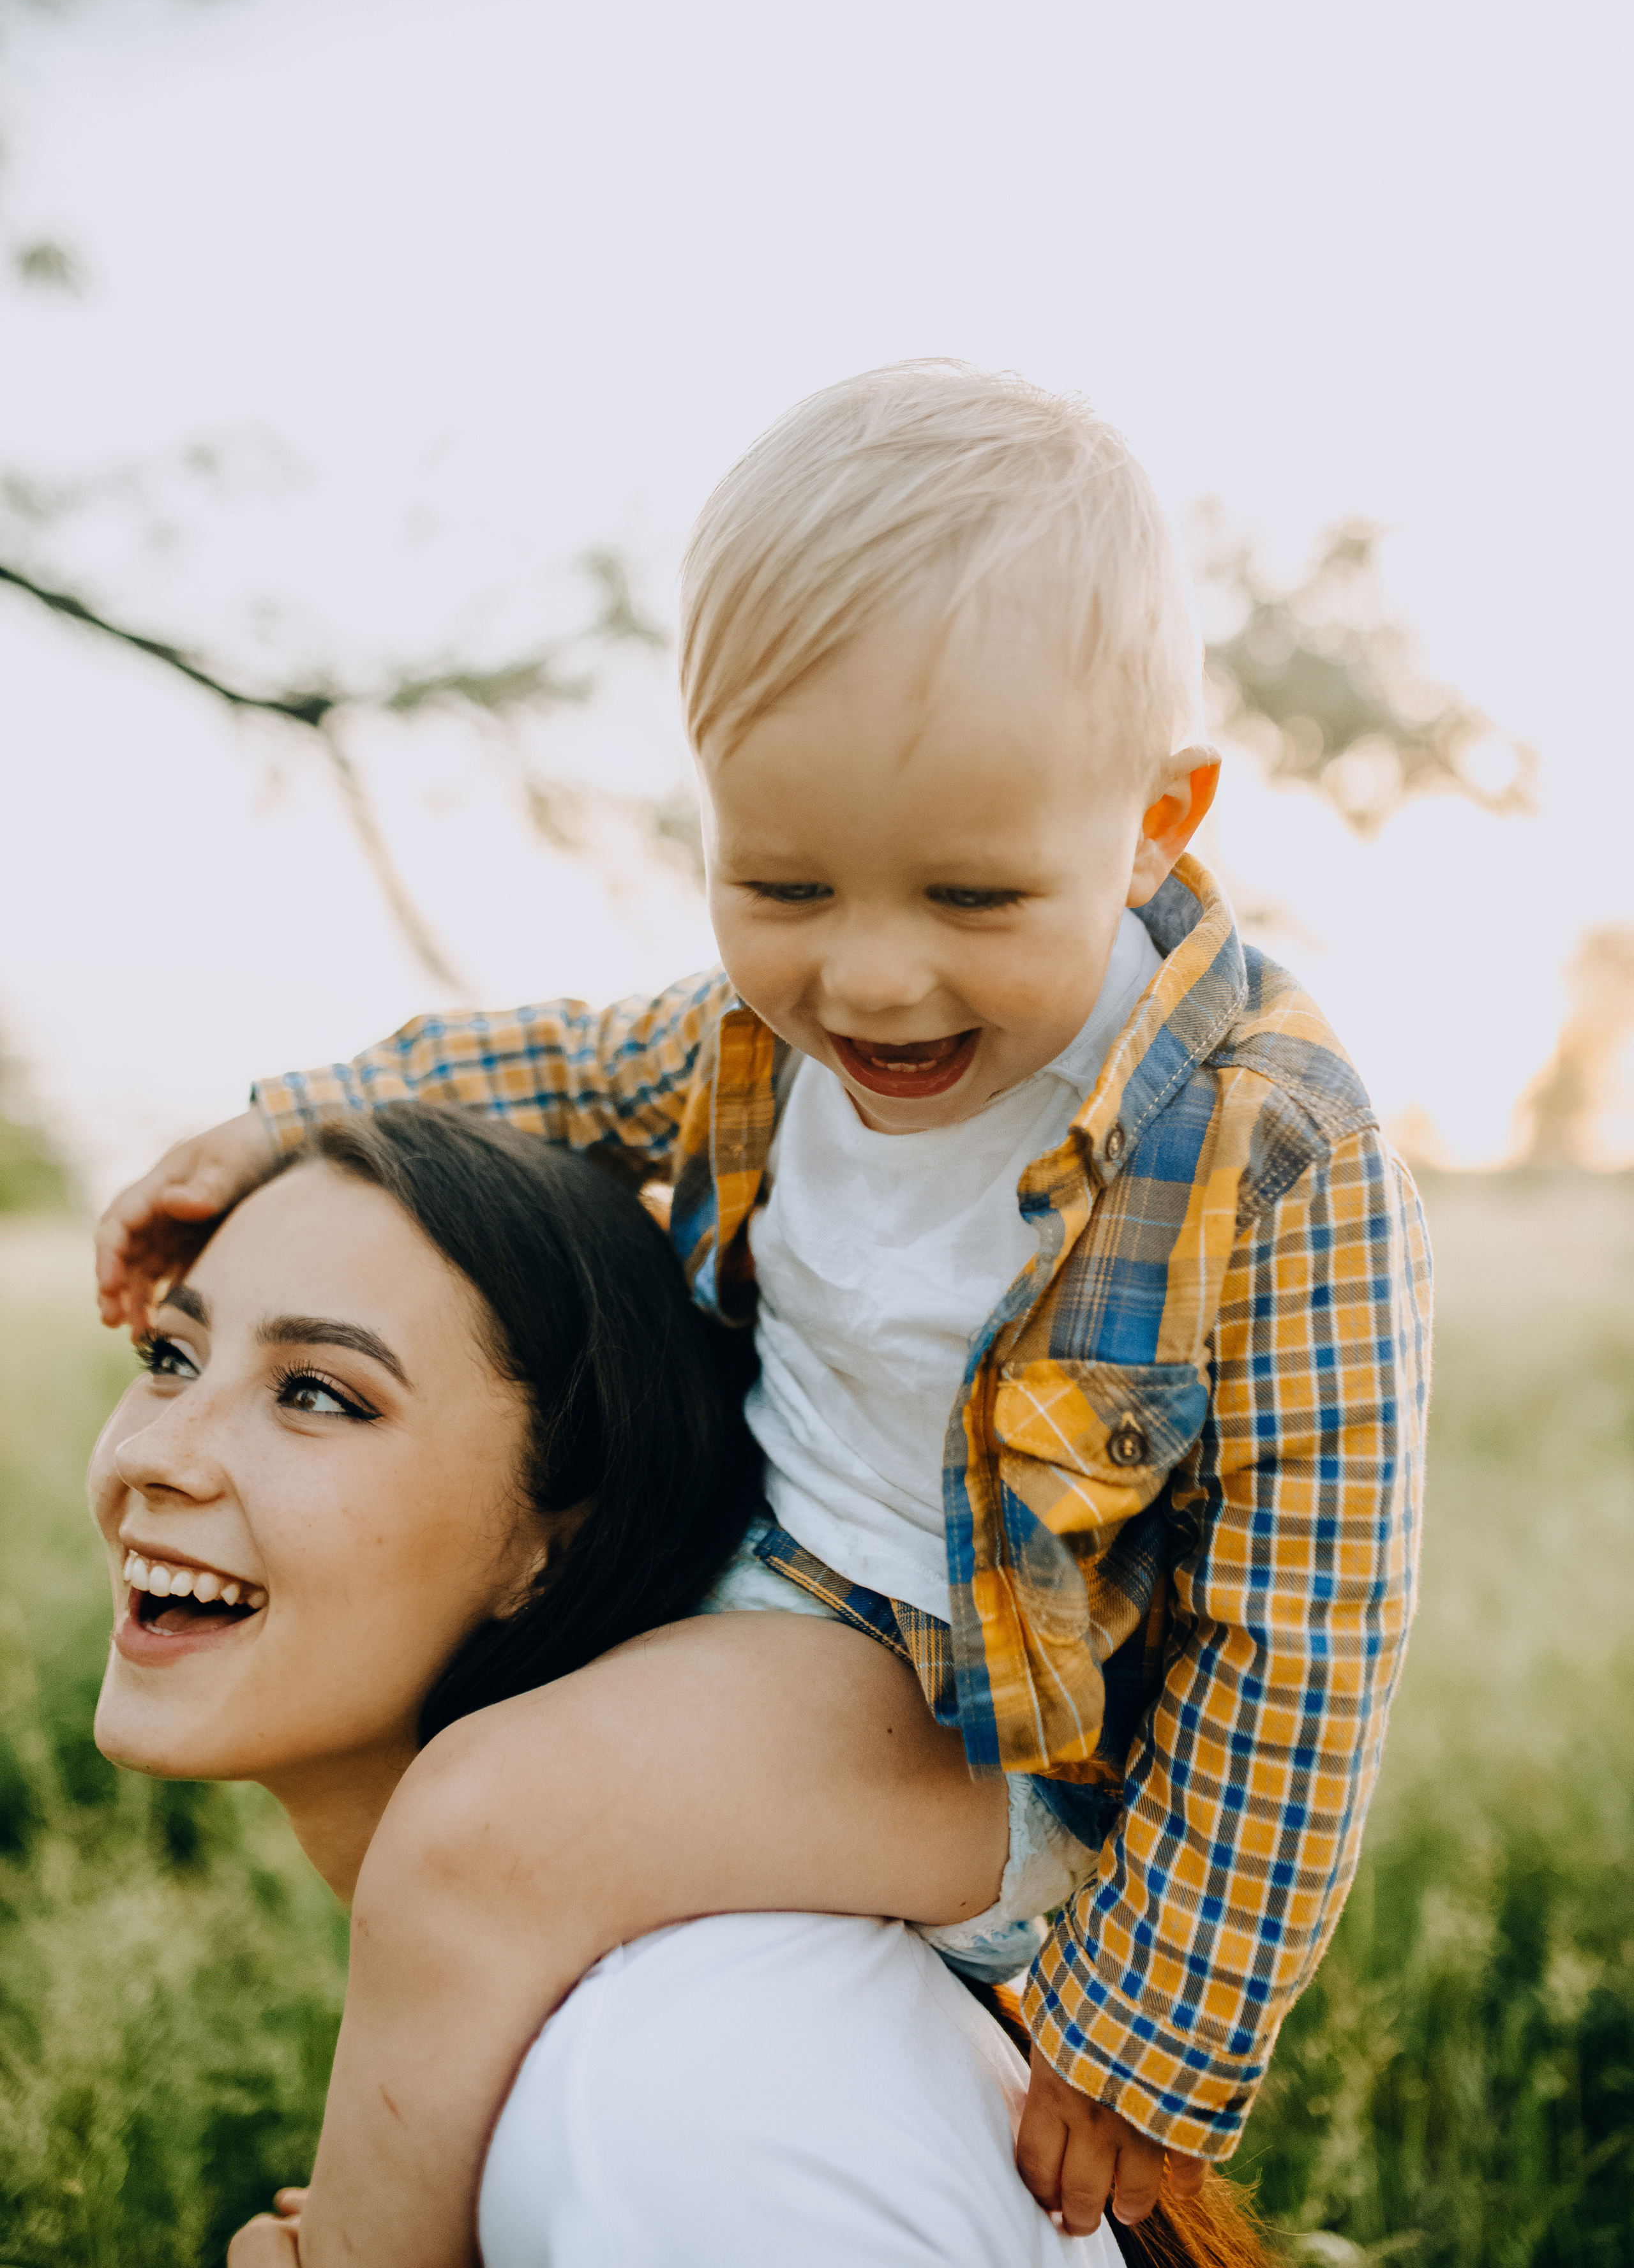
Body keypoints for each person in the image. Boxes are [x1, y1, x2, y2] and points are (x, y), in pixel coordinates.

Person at [96, 361, 1431, 2262]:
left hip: (972, 1714)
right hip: (763, 1602)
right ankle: (453, 2155)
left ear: (1155, 821)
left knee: (477, 1832)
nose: (869, 981)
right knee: (448, 1823)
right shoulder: (765, 1040)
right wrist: (286, 1121)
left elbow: (1307, 1624)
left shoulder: (1263, 1149)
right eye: (782, 884)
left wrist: (1150, 2034)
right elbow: (563, 1064)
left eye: (971, 896)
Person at [91, 1104, 1141, 2266]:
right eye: (170, 1358)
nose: (151, 1453)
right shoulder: (563, 2040)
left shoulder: (667, 2121)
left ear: (562, 1537)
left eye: (319, 1394)